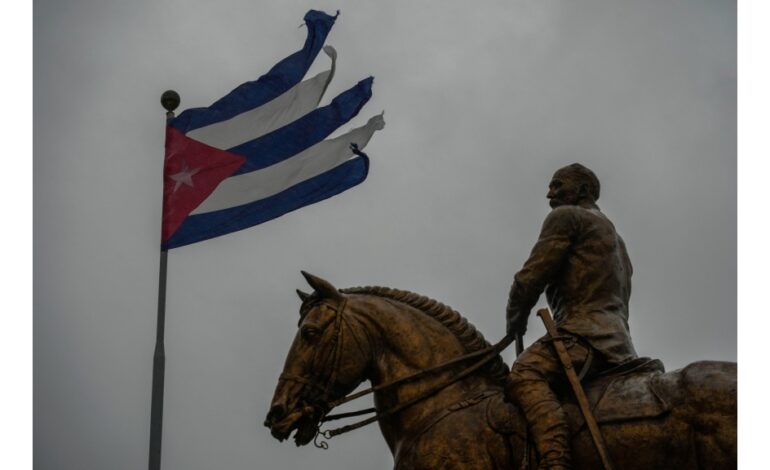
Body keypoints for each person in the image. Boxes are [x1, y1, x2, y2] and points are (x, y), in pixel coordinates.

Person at [504, 163, 638, 470]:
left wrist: (515, 320)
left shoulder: (566, 217)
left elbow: (530, 278)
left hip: (583, 335)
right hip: (619, 343)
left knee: (525, 373)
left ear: (583, 191)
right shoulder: (619, 241)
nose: (549, 193)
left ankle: (555, 460)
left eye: (557, 185)